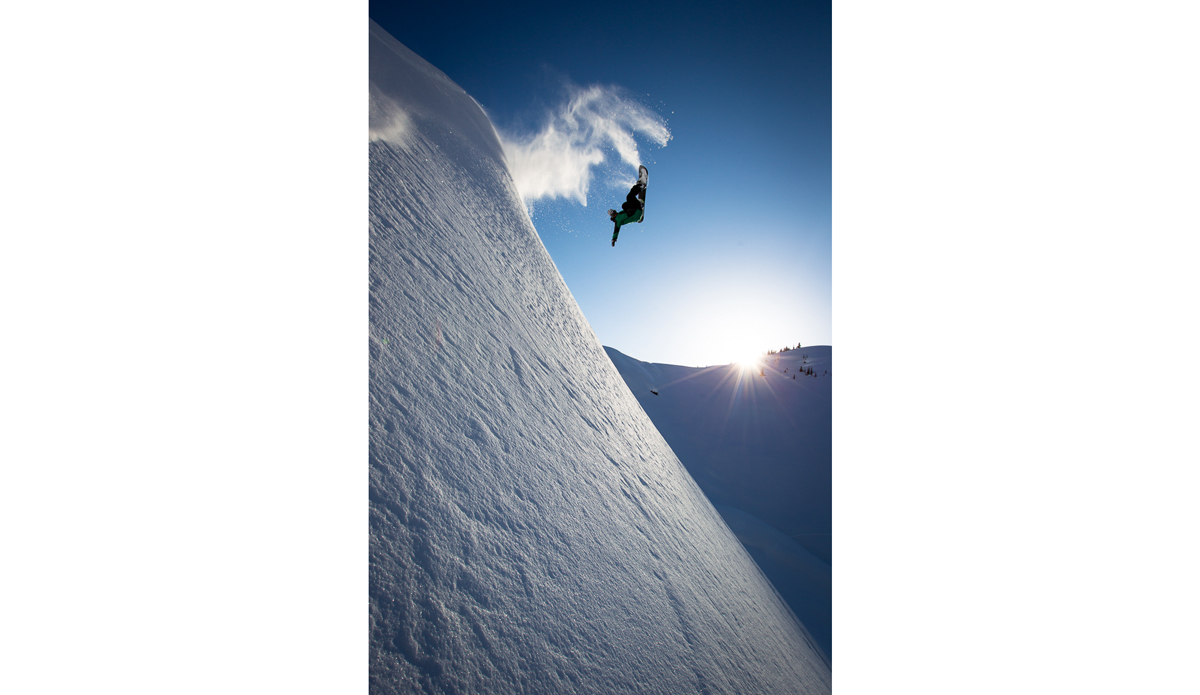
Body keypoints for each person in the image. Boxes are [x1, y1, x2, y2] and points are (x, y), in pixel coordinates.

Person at [607, 168, 647, 246]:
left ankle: (640, 203)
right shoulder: (617, 221)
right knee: (629, 197)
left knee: (624, 205)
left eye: (614, 212)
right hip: (636, 211)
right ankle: (640, 187)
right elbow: (616, 230)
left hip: (636, 213)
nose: (614, 213)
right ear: (612, 216)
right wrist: (614, 239)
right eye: (613, 214)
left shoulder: (619, 215)